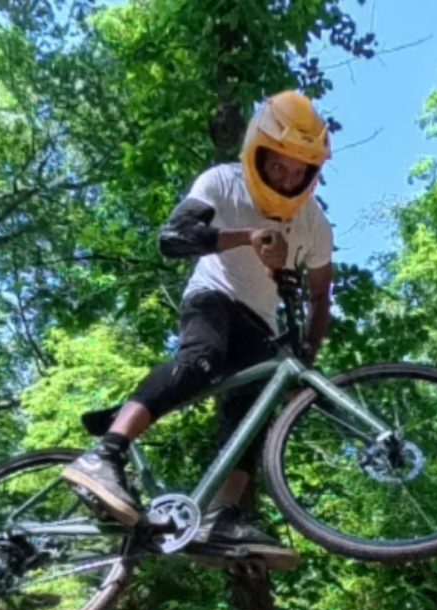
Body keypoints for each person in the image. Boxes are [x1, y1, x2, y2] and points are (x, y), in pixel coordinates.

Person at [62, 90, 335, 570]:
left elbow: (319, 298)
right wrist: (246, 238)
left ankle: (222, 518)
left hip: (261, 324)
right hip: (212, 297)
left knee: (253, 416)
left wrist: (305, 364)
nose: (289, 178)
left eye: (300, 171)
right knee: (201, 359)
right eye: (280, 166)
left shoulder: (313, 224)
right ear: (259, 153)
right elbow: (173, 240)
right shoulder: (223, 182)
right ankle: (105, 454)